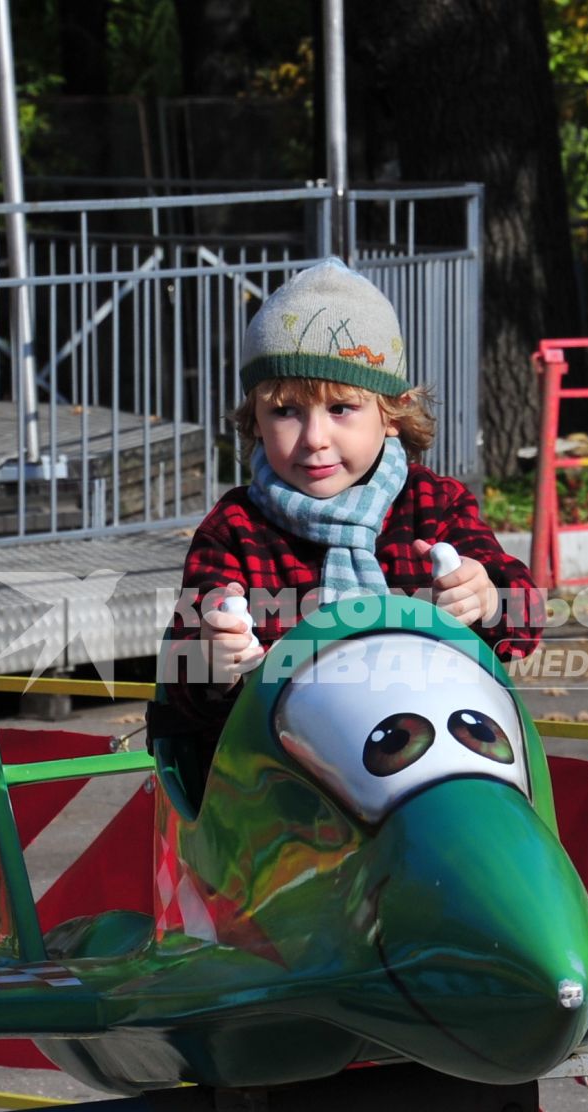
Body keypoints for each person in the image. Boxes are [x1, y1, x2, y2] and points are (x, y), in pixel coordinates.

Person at [151, 258, 541, 766]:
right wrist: (213, 656)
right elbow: (182, 678)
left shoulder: (434, 505)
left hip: (429, 758)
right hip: (276, 780)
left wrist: (486, 599)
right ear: (255, 419)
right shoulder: (237, 528)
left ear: (393, 413)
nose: (314, 439)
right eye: (285, 411)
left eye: (341, 409)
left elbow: (526, 618)